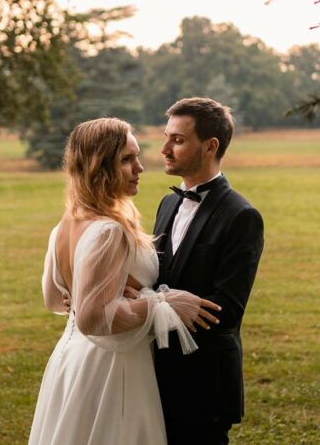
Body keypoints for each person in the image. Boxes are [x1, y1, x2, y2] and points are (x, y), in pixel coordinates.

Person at [29, 117, 221, 445]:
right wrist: (161, 302)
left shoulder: (64, 226)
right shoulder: (108, 231)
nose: (140, 168)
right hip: (111, 370)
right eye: (126, 160)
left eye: (136, 157)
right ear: (98, 168)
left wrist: (107, 294)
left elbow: (54, 300)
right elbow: (92, 317)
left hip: (71, 359)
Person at [153, 98, 265, 445]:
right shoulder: (168, 202)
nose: (164, 149)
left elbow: (225, 311)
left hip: (203, 381)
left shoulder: (241, 216)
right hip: (153, 376)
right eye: (167, 137)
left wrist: (153, 305)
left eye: (178, 140)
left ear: (210, 146)